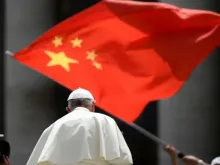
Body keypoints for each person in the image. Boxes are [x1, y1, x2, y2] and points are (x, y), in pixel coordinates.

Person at [26, 88, 133, 165]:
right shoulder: (106, 121)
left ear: (68, 110)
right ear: (93, 106)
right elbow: (124, 160)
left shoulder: (54, 127)